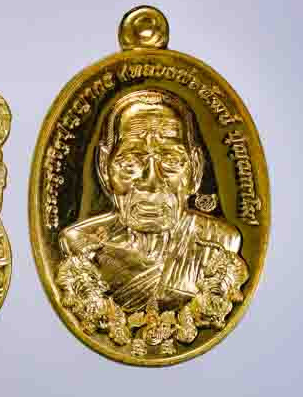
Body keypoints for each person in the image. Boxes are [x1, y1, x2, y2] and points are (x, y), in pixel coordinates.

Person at [58, 90, 247, 313]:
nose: (151, 182)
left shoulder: (220, 243)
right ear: (104, 167)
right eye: (130, 162)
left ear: (195, 170)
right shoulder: (80, 244)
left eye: (171, 161)